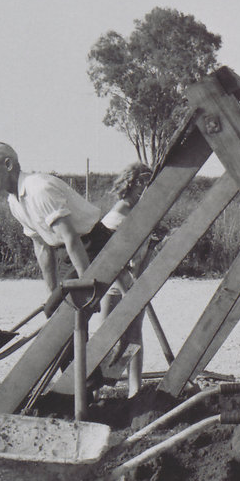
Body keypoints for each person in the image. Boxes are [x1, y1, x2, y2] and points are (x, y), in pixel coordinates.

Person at [0, 142, 110, 293]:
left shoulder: (39, 189)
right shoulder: (14, 201)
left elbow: (70, 237)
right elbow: (41, 247)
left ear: (8, 165)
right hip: (69, 251)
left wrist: (86, 283)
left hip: (93, 242)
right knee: (56, 306)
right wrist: (50, 292)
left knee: (71, 306)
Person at [99, 163, 153, 397]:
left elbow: (142, 253)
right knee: (108, 336)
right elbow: (109, 258)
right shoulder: (116, 215)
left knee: (134, 335)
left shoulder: (140, 212)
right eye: (148, 183)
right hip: (115, 286)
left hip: (134, 282)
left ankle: (135, 390)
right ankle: (97, 388)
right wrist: (125, 288)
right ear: (138, 183)